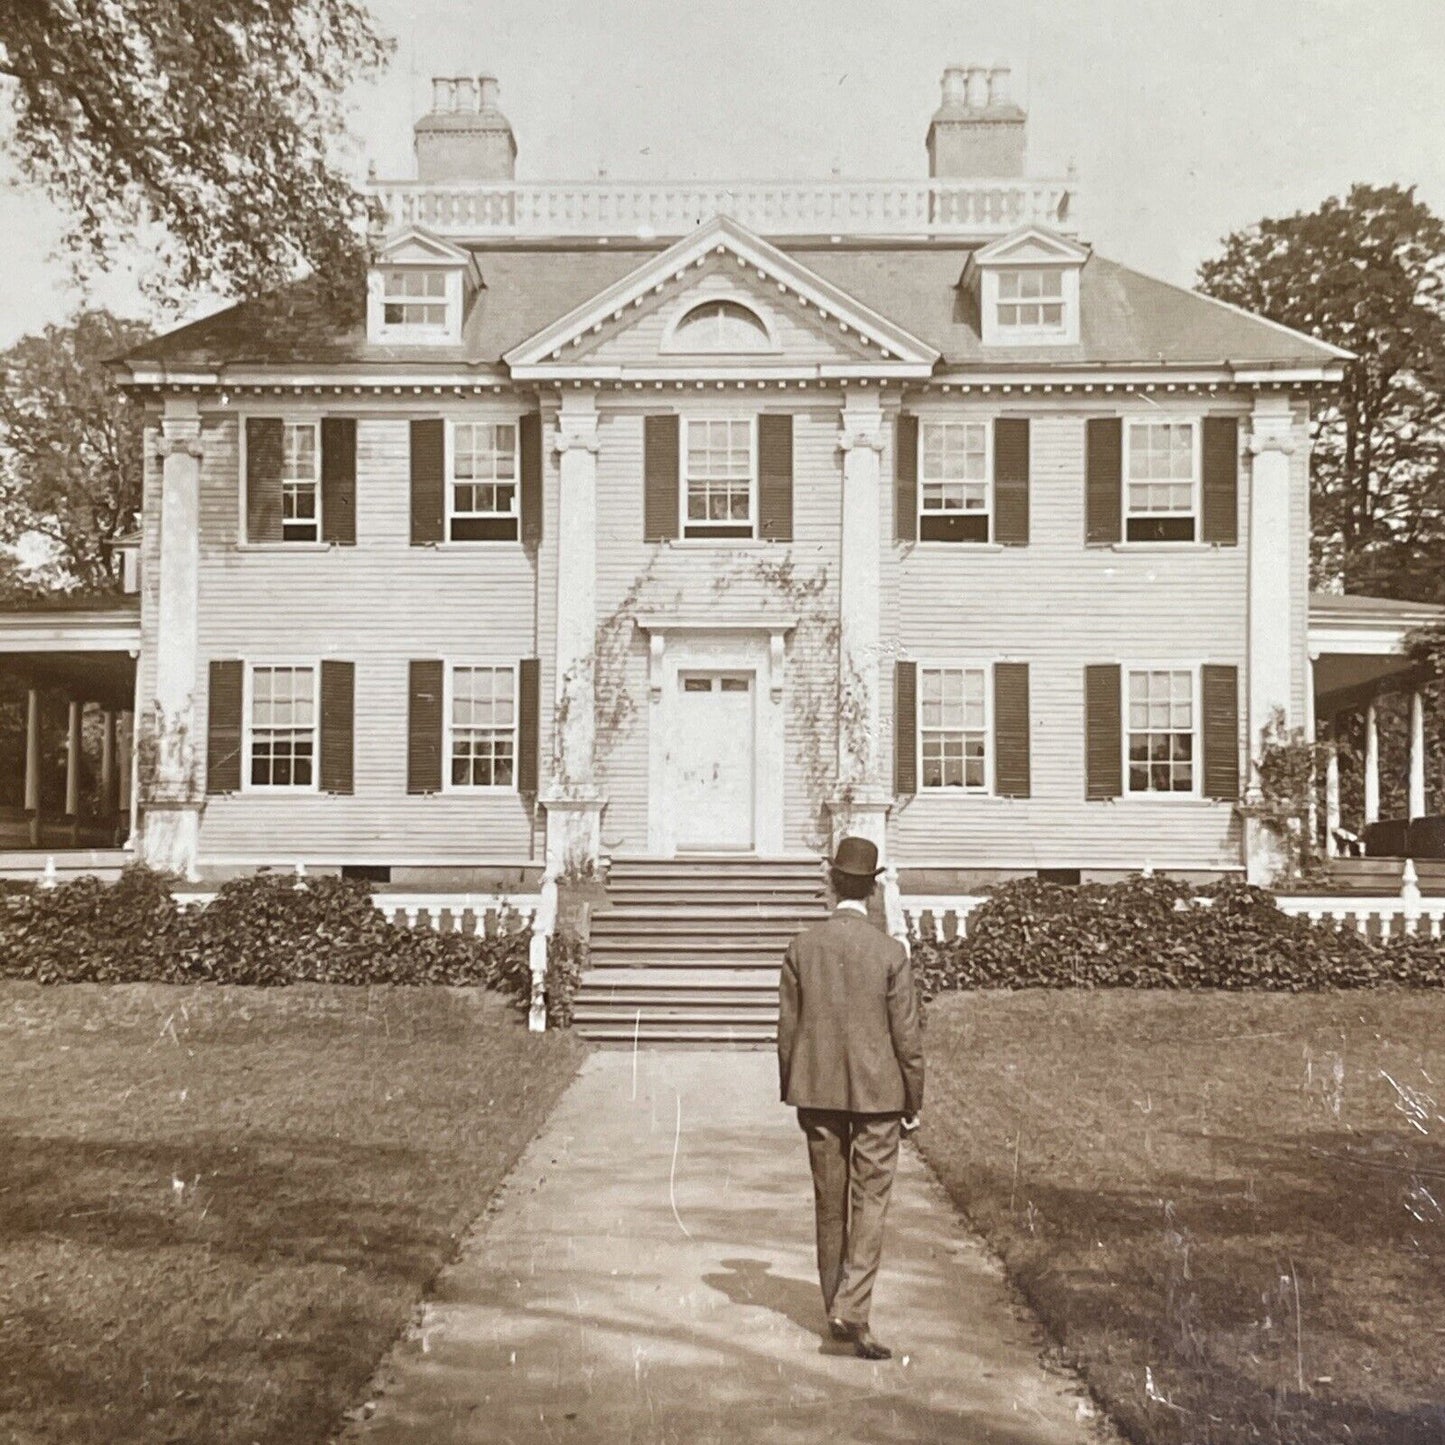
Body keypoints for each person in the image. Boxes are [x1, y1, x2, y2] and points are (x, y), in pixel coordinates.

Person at [776, 835, 925, 1360]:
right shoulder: (890, 952)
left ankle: (836, 1307)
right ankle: (853, 1308)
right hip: (880, 1098)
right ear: (874, 889)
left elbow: (787, 1031)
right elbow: (907, 1037)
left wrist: (793, 1087)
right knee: (870, 1203)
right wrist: (913, 1101)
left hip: (816, 1093)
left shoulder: (802, 947)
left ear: (832, 882)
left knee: (828, 1202)